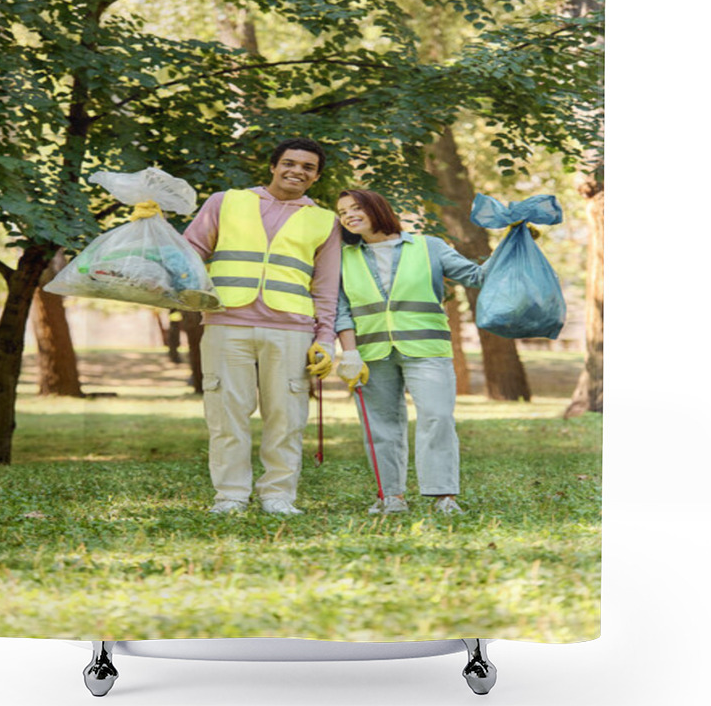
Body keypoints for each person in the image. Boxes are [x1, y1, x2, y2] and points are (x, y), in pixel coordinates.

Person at [184, 139, 340, 515]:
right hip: (226, 322)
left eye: (307, 167)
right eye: (289, 163)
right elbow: (189, 252)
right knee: (226, 413)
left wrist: (325, 338)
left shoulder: (325, 221)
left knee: (287, 417)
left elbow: (326, 287)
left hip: (292, 329)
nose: (296, 171)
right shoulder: (226, 201)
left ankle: (278, 495)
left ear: (316, 177)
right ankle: (231, 495)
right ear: (272, 166)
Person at [334, 189, 491, 515]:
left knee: (437, 417)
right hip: (371, 352)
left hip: (427, 348)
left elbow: (476, 276)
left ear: (377, 207)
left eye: (355, 207)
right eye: (342, 211)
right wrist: (349, 354)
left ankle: (444, 496)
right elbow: (341, 310)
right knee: (379, 424)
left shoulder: (428, 246)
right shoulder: (340, 257)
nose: (348, 215)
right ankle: (390, 496)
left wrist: (511, 246)